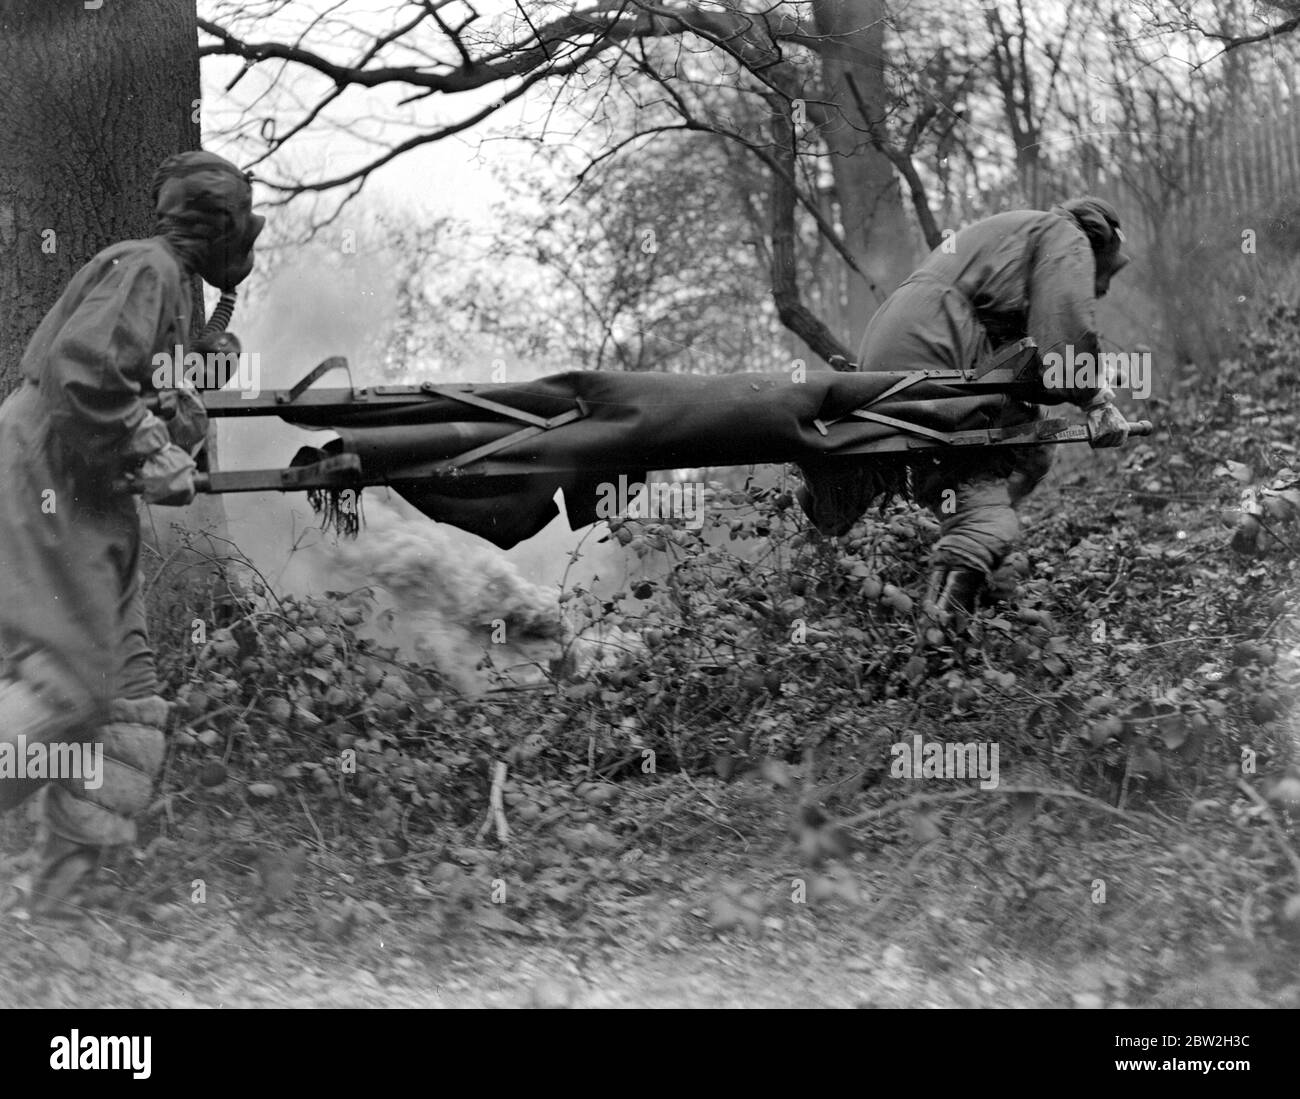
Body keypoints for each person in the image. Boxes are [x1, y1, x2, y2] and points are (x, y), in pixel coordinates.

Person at [0, 150, 263, 915]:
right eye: (238, 224)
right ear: (219, 225)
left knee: (128, 696)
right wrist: (153, 445)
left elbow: (137, 387)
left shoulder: (175, 288)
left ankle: (50, 906)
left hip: (89, 489)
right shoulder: (145, 268)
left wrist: (190, 383)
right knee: (69, 688)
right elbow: (83, 376)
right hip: (47, 470)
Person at [855, 196, 1133, 625]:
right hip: (932, 351)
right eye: (1105, 275)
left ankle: (976, 596)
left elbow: (1031, 362)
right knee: (986, 507)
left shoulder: (1021, 233)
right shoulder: (1065, 237)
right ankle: (942, 633)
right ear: (1100, 246)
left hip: (893, 354)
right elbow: (1065, 333)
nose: (1104, 289)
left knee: (1030, 447)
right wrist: (1096, 400)